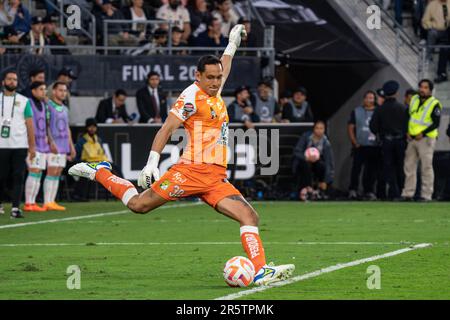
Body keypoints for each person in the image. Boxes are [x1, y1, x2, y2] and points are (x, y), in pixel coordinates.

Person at [69, 25, 295, 286]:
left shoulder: (215, 90)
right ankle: (99, 171)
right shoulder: (190, 96)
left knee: (250, 216)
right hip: (190, 172)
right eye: (209, 77)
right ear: (197, 76)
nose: (215, 82)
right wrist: (152, 162)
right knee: (138, 206)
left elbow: (224, 65)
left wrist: (232, 44)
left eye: (218, 78)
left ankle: (261, 270)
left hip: (215, 177)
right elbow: (167, 129)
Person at [0, 70, 35, 218]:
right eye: (9, 79)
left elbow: (29, 125)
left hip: (20, 145)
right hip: (1, 145)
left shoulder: (24, 101)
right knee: (1, 177)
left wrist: (32, 146)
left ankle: (15, 208)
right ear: (3, 82)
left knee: (18, 176)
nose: (12, 82)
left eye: (15, 79)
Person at [401, 79, 442, 201]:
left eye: (425, 87)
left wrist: (423, 133)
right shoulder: (414, 99)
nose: (422, 89)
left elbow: (436, 123)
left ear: (430, 90)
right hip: (412, 138)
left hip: (426, 139)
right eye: (421, 87)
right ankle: (408, 194)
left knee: (426, 167)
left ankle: (426, 195)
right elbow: (408, 116)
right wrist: (406, 131)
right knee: (409, 166)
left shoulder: (435, 103)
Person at [369, 80, 408, 200]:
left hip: (386, 141)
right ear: (396, 93)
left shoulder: (379, 109)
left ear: (385, 94)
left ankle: (393, 192)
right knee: (401, 167)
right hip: (401, 141)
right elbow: (408, 125)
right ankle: (402, 192)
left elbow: (373, 127)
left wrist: (381, 132)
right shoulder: (403, 108)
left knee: (388, 167)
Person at [73, 118, 123, 201]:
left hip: (100, 163)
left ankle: (121, 192)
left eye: (94, 127)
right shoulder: (82, 141)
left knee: (116, 168)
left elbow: (102, 153)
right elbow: (77, 156)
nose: (92, 129)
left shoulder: (98, 140)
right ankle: (79, 195)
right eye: (90, 127)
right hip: (88, 163)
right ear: (86, 128)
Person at [44, 81, 76, 211]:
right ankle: (47, 201)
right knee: (51, 171)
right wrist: (50, 142)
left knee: (57, 172)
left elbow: (67, 128)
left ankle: (52, 201)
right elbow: (46, 125)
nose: (63, 93)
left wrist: (71, 146)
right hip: (53, 144)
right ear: (54, 91)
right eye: (60, 90)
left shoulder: (65, 108)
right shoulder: (49, 105)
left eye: (65, 91)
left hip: (63, 145)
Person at [347, 91, 379, 200]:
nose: (369, 100)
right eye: (367, 97)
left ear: (374, 99)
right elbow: (351, 128)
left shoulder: (378, 112)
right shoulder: (356, 111)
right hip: (359, 146)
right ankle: (353, 190)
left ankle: (369, 191)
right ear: (364, 99)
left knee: (371, 171)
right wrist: (354, 142)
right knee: (356, 169)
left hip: (373, 146)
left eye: (372, 98)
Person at [292, 120, 334, 201]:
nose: (319, 130)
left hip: (317, 165)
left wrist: (326, 180)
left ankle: (319, 190)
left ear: (324, 130)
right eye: (317, 128)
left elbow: (329, 162)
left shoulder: (326, 143)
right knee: (305, 165)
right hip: (303, 163)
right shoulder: (305, 137)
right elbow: (296, 151)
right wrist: (306, 158)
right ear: (313, 129)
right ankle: (306, 189)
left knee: (322, 166)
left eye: (321, 128)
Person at [24, 81, 49, 212]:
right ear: (33, 91)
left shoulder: (43, 105)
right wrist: (30, 144)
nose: (44, 92)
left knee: (38, 173)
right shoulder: (28, 103)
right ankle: (28, 202)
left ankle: (33, 202)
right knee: (33, 171)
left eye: (45, 89)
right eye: (41, 89)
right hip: (32, 144)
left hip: (42, 145)